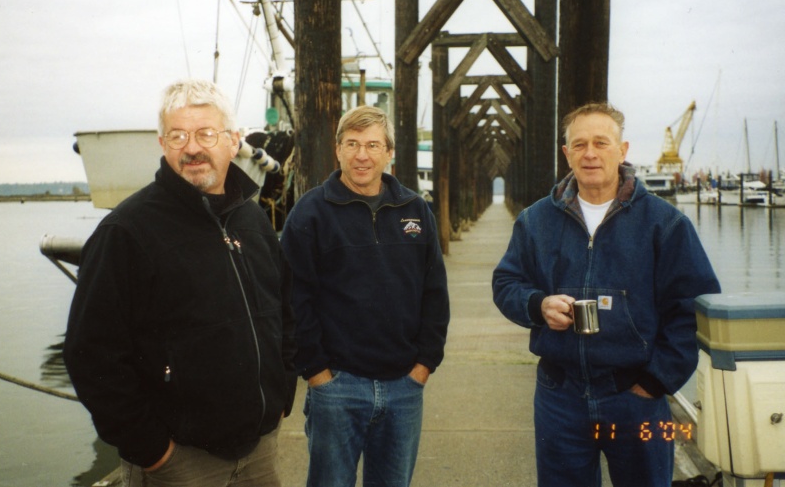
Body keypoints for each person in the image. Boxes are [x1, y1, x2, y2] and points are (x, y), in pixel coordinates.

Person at [64, 79, 297, 487]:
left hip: (260, 451)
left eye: (206, 133)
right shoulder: (126, 232)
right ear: (162, 142)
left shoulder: (253, 220)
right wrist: (153, 451)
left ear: (232, 141)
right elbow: (91, 355)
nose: (192, 148)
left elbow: (284, 312)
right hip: (179, 463)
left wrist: (282, 396)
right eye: (179, 135)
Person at [492, 102, 721, 487]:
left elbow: (691, 309)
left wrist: (656, 381)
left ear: (623, 149)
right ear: (566, 154)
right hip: (558, 397)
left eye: (601, 142)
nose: (590, 153)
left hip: (638, 399)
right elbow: (506, 283)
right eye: (579, 145)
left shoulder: (665, 224)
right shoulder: (535, 220)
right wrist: (538, 304)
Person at [280, 105, 450, 487]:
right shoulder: (310, 214)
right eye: (352, 144)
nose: (362, 155)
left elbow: (435, 293)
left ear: (389, 152)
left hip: (404, 387)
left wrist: (424, 365)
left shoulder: (415, 210)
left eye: (373, 145)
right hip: (337, 386)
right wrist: (317, 373)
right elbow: (293, 300)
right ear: (337, 149)